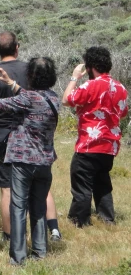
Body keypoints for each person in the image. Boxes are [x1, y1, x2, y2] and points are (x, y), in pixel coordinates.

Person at [0, 32, 62, 242]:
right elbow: (35, 98)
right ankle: (52, 230)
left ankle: (10, 237)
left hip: (4, 134)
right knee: (41, 186)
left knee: (7, 189)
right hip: (34, 136)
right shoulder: (31, 70)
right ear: (17, 47)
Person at [62, 46, 128, 227]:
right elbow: (122, 112)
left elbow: (66, 99)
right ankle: (107, 219)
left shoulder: (91, 85)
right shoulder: (120, 87)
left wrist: (75, 77)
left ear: (90, 66)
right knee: (103, 183)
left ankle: (79, 221)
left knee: (82, 185)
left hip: (89, 144)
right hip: (109, 146)